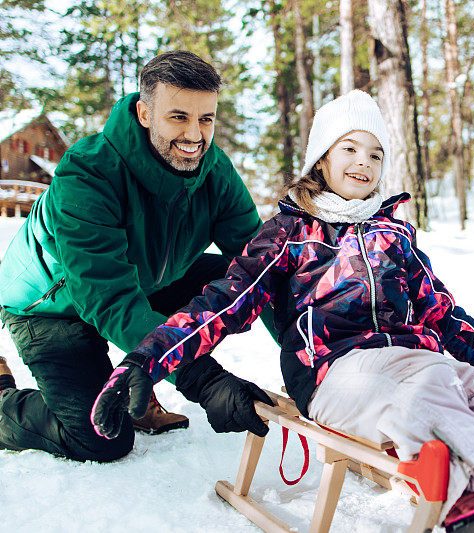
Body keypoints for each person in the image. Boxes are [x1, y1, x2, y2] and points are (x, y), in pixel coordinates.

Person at [91, 90, 474, 532]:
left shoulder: (396, 238)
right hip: (334, 375)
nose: (363, 163)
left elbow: (449, 319)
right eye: (349, 148)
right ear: (322, 156)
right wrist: (145, 361)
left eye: (374, 154)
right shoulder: (288, 235)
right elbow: (222, 301)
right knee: (432, 387)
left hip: (418, 365)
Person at [0, 50, 272, 462]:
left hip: (144, 282)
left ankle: (137, 380)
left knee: (238, 280)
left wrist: (315, 359)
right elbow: (108, 299)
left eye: (206, 119)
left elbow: (261, 266)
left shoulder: (215, 173)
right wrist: (203, 379)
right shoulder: (87, 173)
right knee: (99, 439)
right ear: (145, 113)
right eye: (178, 117)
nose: (195, 136)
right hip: (55, 307)